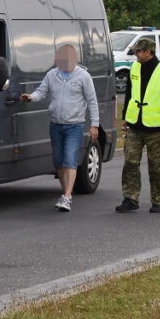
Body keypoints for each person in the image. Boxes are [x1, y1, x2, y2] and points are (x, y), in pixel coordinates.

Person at [20, 44, 99, 212]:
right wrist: (30, 97)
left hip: (74, 126)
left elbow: (92, 101)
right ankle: (65, 193)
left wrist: (94, 125)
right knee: (59, 162)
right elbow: (41, 92)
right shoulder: (52, 75)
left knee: (70, 160)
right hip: (56, 125)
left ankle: (67, 197)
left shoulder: (83, 76)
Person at [116, 36, 160, 214]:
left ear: (148, 52)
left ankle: (158, 200)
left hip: (155, 127)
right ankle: (130, 198)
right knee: (130, 162)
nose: (135, 54)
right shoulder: (134, 68)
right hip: (135, 125)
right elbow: (130, 94)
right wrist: (125, 116)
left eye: (138, 51)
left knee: (157, 166)